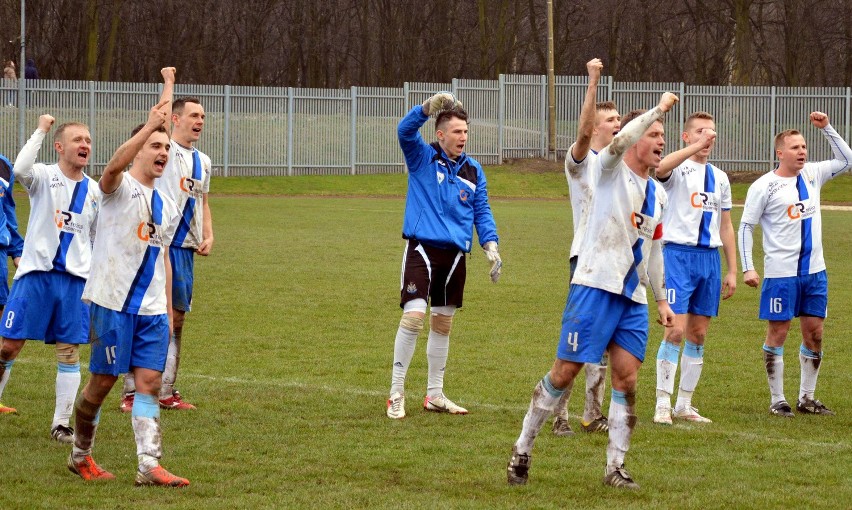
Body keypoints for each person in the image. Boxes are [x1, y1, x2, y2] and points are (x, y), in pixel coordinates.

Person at [507, 92, 678, 490]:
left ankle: (615, 468)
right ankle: (522, 449)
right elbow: (617, 141)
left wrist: (662, 299)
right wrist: (657, 108)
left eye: (663, 135)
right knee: (564, 373)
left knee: (627, 379)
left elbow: (654, 251)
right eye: (654, 134)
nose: (660, 141)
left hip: (631, 298)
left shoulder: (659, 193)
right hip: (594, 286)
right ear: (637, 138)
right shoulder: (609, 168)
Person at [68, 91, 189, 487]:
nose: (162, 152)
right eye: (155, 145)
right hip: (111, 301)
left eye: (166, 147)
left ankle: (148, 465)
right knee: (102, 384)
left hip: (152, 308)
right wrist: (150, 126)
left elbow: (165, 257)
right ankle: (80, 454)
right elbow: (111, 167)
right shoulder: (117, 189)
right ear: (138, 151)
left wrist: (170, 306)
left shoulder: (168, 204)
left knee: (149, 383)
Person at [385, 91, 501, 419]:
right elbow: (404, 132)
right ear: (440, 134)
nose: (463, 137)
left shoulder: (474, 171)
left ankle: (435, 394)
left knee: (443, 323)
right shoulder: (422, 157)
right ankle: (396, 392)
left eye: (466, 132)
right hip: (422, 249)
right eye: (457, 131)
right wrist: (425, 108)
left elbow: (482, 210)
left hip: (454, 257)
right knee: (414, 316)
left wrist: (491, 244)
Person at [738, 111, 852, 418]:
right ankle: (778, 399)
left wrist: (827, 127)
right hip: (781, 274)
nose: (802, 151)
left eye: (803, 147)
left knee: (814, 333)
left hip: (815, 272)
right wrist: (748, 266)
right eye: (795, 147)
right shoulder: (764, 186)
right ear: (780, 153)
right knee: (778, 333)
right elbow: (746, 226)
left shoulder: (813, 174)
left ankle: (807, 398)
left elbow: (847, 160)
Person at [0, 115, 99, 443]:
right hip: (36, 277)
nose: (84, 145)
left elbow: (97, 238)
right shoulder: (44, 175)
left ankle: (61, 424)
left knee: (69, 351)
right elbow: (19, 170)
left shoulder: (96, 191)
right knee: (9, 346)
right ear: (59, 147)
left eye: (87, 140)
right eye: (77, 140)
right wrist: (42, 128)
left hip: (74, 282)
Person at [119, 88, 213, 412]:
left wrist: (209, 234)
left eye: (203, 116)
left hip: (185, 249)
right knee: (151, 315)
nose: (200, 121)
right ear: (175, 119)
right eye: (194, 115)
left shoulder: (204, 162)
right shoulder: (166, 150)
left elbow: (202, 200)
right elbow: (156, 118)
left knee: (177, 319)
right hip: (160, 242)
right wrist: (169, 81)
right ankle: (132, 392)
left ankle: (166, 392)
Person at [651, 112, 737, 425]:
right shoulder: (678, 168)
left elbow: (725, 225)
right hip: (677, 256)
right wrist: (695, 146)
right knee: (674, 330)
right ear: (686, 137)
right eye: (700, 132)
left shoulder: (721, 178)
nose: (707, 138)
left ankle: (684, 404)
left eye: (711, 133)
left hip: (708, 260)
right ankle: (662, 402)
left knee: (698, 334)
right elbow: (659, 168)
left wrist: (731, 270)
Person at [553, 58, 621, 437]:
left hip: (614, 260)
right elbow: (580, 135)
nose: (617, 126)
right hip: (584, 259)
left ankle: (592, 413)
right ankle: (559, 415)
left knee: (606, 342)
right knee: (577, 337)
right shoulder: (580, 161)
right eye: (611, 121)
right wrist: (593, 81)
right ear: (595, 126)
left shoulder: (617, 166)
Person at [0, 153, 24, 414]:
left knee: (4, 327)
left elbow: (8, 211)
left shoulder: (3, 166)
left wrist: (17, 250)